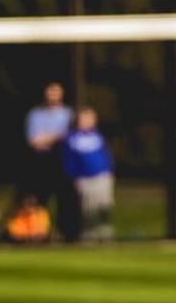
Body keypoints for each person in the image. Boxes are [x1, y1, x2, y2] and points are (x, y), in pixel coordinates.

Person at [24, 81, 75, 239]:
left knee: (65, 198)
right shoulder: (35, 114)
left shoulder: (68, 113)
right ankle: (40, 232)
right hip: (41, 160)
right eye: (51, 92)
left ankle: (64, 232)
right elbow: (33, 140)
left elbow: (68, 136)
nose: (53, 95)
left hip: (62, 160)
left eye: (56, 92)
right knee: (41, 197)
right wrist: (55, 137)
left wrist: (46, 138)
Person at [61, 107, 115, 242]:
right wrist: (75, 176)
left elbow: (105, 156)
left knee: (104, 205)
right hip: (84, 178)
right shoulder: (71, 138)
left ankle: (105, 232)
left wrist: (108, 171)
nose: (87, 121)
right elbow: (68, 160)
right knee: (88, 208)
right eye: (84, 118)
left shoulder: (97, 136)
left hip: (102, 176)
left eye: (90, 118)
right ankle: (89, 234)